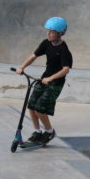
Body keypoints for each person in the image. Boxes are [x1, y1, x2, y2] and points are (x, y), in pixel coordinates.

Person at [15, 16, 73, 144]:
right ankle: (37, 132)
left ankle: (49, 132)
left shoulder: (64, 50)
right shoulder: (46, 43)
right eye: (48, 31)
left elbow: (65, 69)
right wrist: (22, 67)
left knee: (40, 109)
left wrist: (50, 79)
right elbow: (33, 56)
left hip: (55, 83)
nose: (48, 33)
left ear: (60, 34)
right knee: (31, 106)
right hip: (44, 79)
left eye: (51, 32)